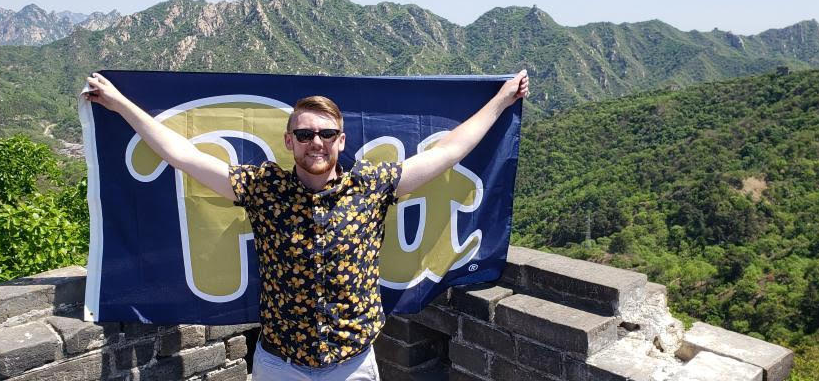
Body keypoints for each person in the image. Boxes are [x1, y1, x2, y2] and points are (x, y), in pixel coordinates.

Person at [83, 70, 529, 381]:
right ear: (288, 141)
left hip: (352, 363)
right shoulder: (262, 188)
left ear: (341, 139)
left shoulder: (370, 186)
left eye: (325, 133)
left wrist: (501, 100)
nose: (315, 142)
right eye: (304, 134)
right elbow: (184, 154)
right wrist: (120, 104)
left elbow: (447, 152)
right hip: (280, 364)